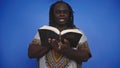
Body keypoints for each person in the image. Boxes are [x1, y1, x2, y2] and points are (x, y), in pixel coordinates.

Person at [28, 1, 92, 68]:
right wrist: (50, 45)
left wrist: (67, 50)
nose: (62, 14)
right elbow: (31, 53)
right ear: (52, 14)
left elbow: (85, 57)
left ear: (70, 14)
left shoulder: (78, 33)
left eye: (65, 12)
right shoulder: (43, 31)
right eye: (58, 12)